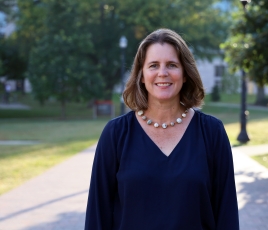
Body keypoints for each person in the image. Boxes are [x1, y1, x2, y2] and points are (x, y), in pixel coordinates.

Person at [85, 28, 239, 230]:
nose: (162, 73)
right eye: (153, 65)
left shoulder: (212, 132)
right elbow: (98, 215)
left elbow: (226, 214)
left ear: (185, 74)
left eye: (172, 65)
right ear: (141, 75)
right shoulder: (116, 134)